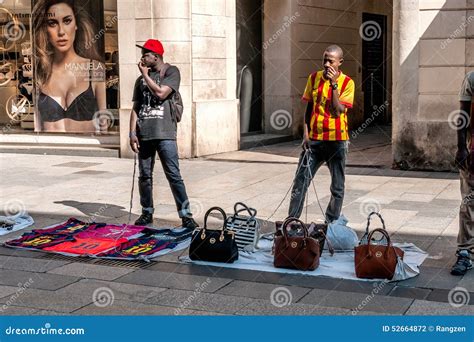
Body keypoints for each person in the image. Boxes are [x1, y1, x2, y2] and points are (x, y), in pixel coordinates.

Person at [129, 39, 198, 229]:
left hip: (165, 133)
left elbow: (161, 93)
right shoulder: (139, 80)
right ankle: (146, 212)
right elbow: (136, 107)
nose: (142, 57)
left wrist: (145, 75)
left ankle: (186, 215)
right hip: (144, 134)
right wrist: (131, 133)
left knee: (173, 175)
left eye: (146, 54)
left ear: (156, 56)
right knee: (144, 176)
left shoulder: (171, 72)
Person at [288, 45, 355, 223]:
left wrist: (334, 85)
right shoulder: (313, 78)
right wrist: (306, 134)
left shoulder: (348, 83)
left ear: (340, 62)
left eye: (330, 61)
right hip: (315, 141)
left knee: (337, 186)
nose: (326, 64)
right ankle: (292, 220)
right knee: (301, 181)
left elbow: (338, 110)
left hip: (337, 141)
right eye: (324, 60)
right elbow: (309, 108)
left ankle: (331, 222)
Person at [32, 0, 106, 132]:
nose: (61, 32)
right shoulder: (40, 72)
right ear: (45, 29)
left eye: (67, 21)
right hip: (50, 149)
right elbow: (37, 126)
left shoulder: (94, 68)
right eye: (52, 23)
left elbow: (103, 120)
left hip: (86, 149)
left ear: (76, 24)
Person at [452, 71, 474, 275]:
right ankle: (465, 252)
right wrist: (462, 148)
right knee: (469, 203)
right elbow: (463, 115)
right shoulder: (472, 78)